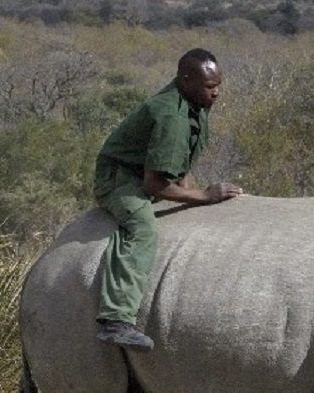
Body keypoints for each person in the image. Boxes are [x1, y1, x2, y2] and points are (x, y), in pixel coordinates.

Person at [93, 48, 242, 351]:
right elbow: (154, 183)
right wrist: (202, 195)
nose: (216, 93)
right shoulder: (170, 115)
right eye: (209, 86)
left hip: (143, 172)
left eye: (218, 85)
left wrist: (188, 193)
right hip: (121, 179)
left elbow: (178, 160)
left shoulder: (194, 103)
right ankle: (116, 318)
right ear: (186, 80)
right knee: (142, 228)